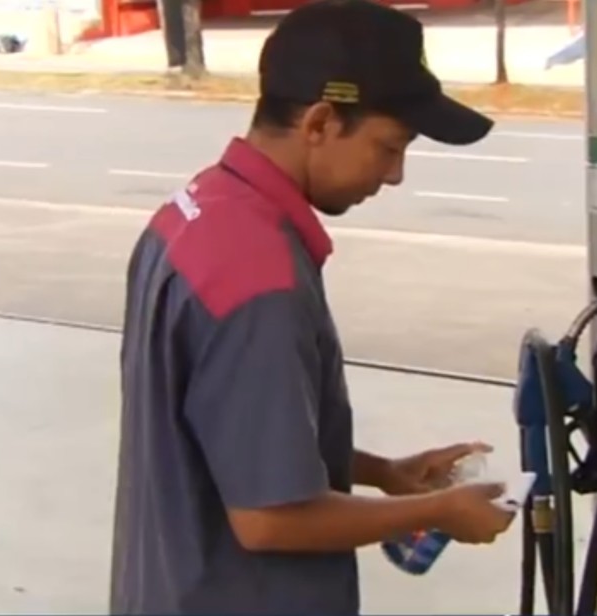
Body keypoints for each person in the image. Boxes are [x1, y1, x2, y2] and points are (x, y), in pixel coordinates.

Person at [108, 0, 515, 613]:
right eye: (390, 146)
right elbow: (270, 518)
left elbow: (227, 432)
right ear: (322, 122)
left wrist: (381, 471)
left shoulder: (194, 212)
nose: (396, 174)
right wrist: (437, 510)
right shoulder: (259, 277)